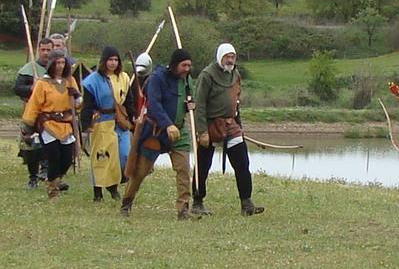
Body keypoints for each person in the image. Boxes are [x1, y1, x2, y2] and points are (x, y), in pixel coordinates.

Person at [120, 49, 196, 220]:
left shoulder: (187, 80)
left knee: (183, 170)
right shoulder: (157, 78)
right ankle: (127, 202)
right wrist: (167, 124)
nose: (186, 69)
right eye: (184, 65)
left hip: (179, 132)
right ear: (175, 64)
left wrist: (190, 105)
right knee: (140, 172)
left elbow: (188, 99)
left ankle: (183, 209)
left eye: (189, 66)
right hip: (156, 132)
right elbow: (154, 104)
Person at [192, 43, 264, 217]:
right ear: (220, 57)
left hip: (231, 125)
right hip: (210, 125)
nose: (230, 60)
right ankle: (197, 202)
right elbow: (199, 104)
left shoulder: (235, 75)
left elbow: (236, 102)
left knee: (242, 163)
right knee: (203, 165)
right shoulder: (207, 75)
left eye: (233, 57)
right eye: (227, 57)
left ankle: (246, 203)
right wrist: (202, 131)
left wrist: (239, 126)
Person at [21, 50, 82, 199]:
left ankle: (54, 179)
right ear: (51, 64)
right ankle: (53, 191)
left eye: (63, 63)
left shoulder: (70, 81)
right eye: (57, 63)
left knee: (67, 159)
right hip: (48, 124)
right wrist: (28, 127)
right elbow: (34, 105)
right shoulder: (43, 83)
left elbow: (78, 105)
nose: (60, 66)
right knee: (54, 156)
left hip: (65, 124)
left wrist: (76, 96)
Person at [81, 46, 135, 202]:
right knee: (102, 158)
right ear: (104, 61)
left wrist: (133, 117)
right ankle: (98, 192)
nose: (113, 63)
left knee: (124, 155)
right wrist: (86, 124)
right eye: (110, 59)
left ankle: (113, 186)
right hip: (101, 122)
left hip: (120, 122)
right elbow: (87, 105)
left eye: (116, 59)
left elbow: (129, 101)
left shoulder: (124, 78)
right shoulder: (92, 81)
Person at [14, 38, 53, 190]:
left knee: (51, 146)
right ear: (38, 50)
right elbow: (18, 88)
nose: (45, 53)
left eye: (48, 50)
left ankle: (51, 176)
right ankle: (33, 178)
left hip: (51, 115)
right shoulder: (29, 70)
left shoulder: (58, 69)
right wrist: (32, 87)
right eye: (43, 50)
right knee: (32, 147)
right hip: (33, 113)